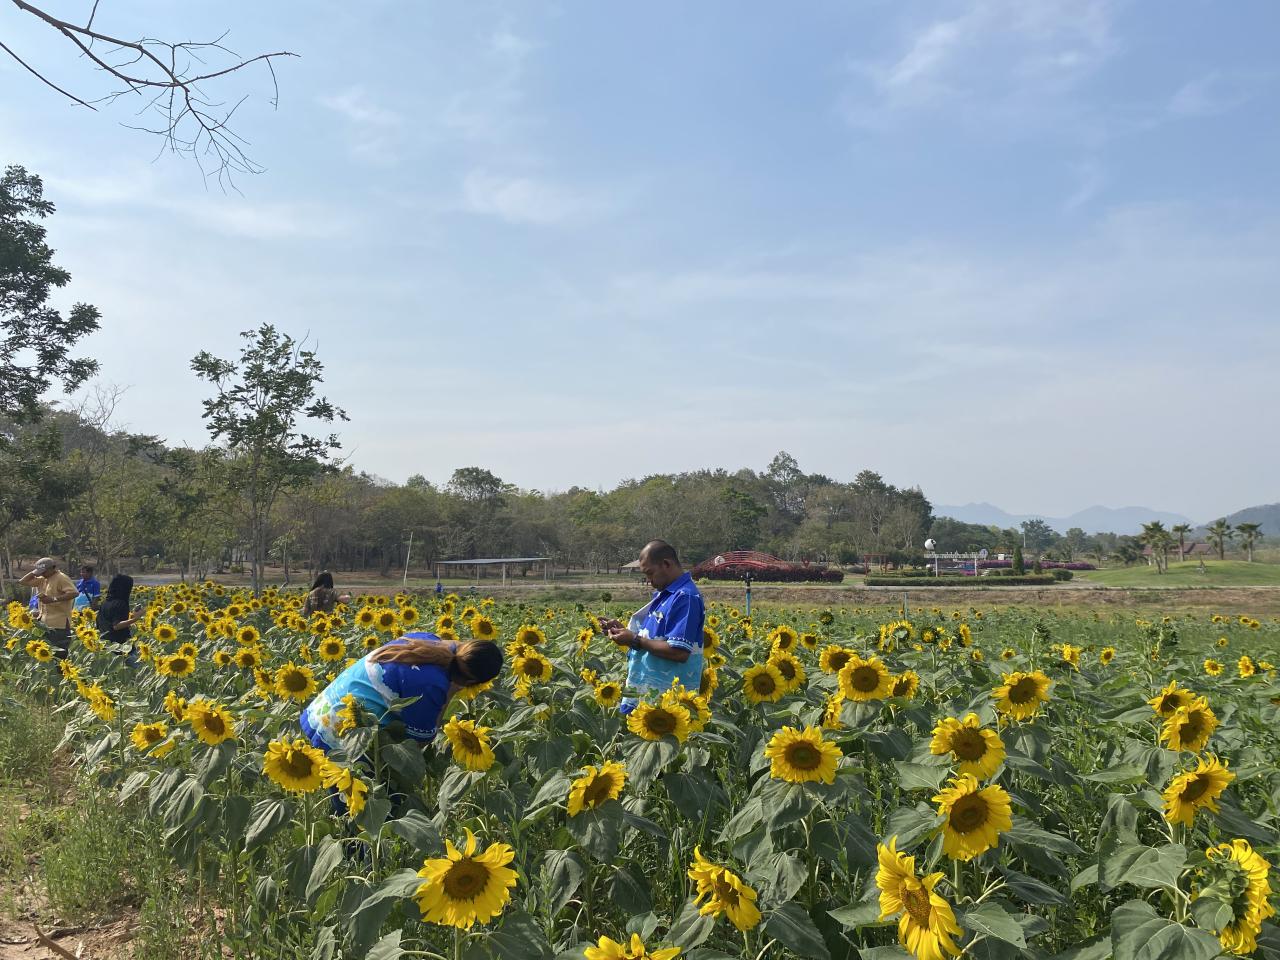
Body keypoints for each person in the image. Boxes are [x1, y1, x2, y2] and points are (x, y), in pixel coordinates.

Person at [300, 633, 504, 752]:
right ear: (470, 681)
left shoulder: (425, 640)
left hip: (322, 708)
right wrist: (449, 694)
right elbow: (419, 741)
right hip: (344, 732)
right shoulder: (433, 685)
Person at [601, 540, 706, 714]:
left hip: (664, 708)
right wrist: (625, 634)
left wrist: (635, 639)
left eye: (650, 573)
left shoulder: (685, 598)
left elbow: (678, 652)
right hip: (640, 692)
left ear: (666, 564)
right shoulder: (665, 595)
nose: (649, 581)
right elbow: (652, 640)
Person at [19, 558, 79, 660]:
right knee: (46, 654)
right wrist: (35, 571)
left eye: (44, 571)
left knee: (59, 655)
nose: (42, 574)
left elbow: (74, 593)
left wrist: (53, 599)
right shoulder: (43, 578)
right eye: (40, 572)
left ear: (53, 568)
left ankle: (60, 675)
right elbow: (23, 581)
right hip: (44, 622)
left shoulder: (61, 578)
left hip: (59, 624)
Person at [96, 574, 143, 657]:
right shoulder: (121, 603)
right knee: (137, 666)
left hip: (106, 644)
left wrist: (132, 615)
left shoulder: (105, 603)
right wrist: (135, 618)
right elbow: (116, 626)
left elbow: (109, 620)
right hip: (121, 646)